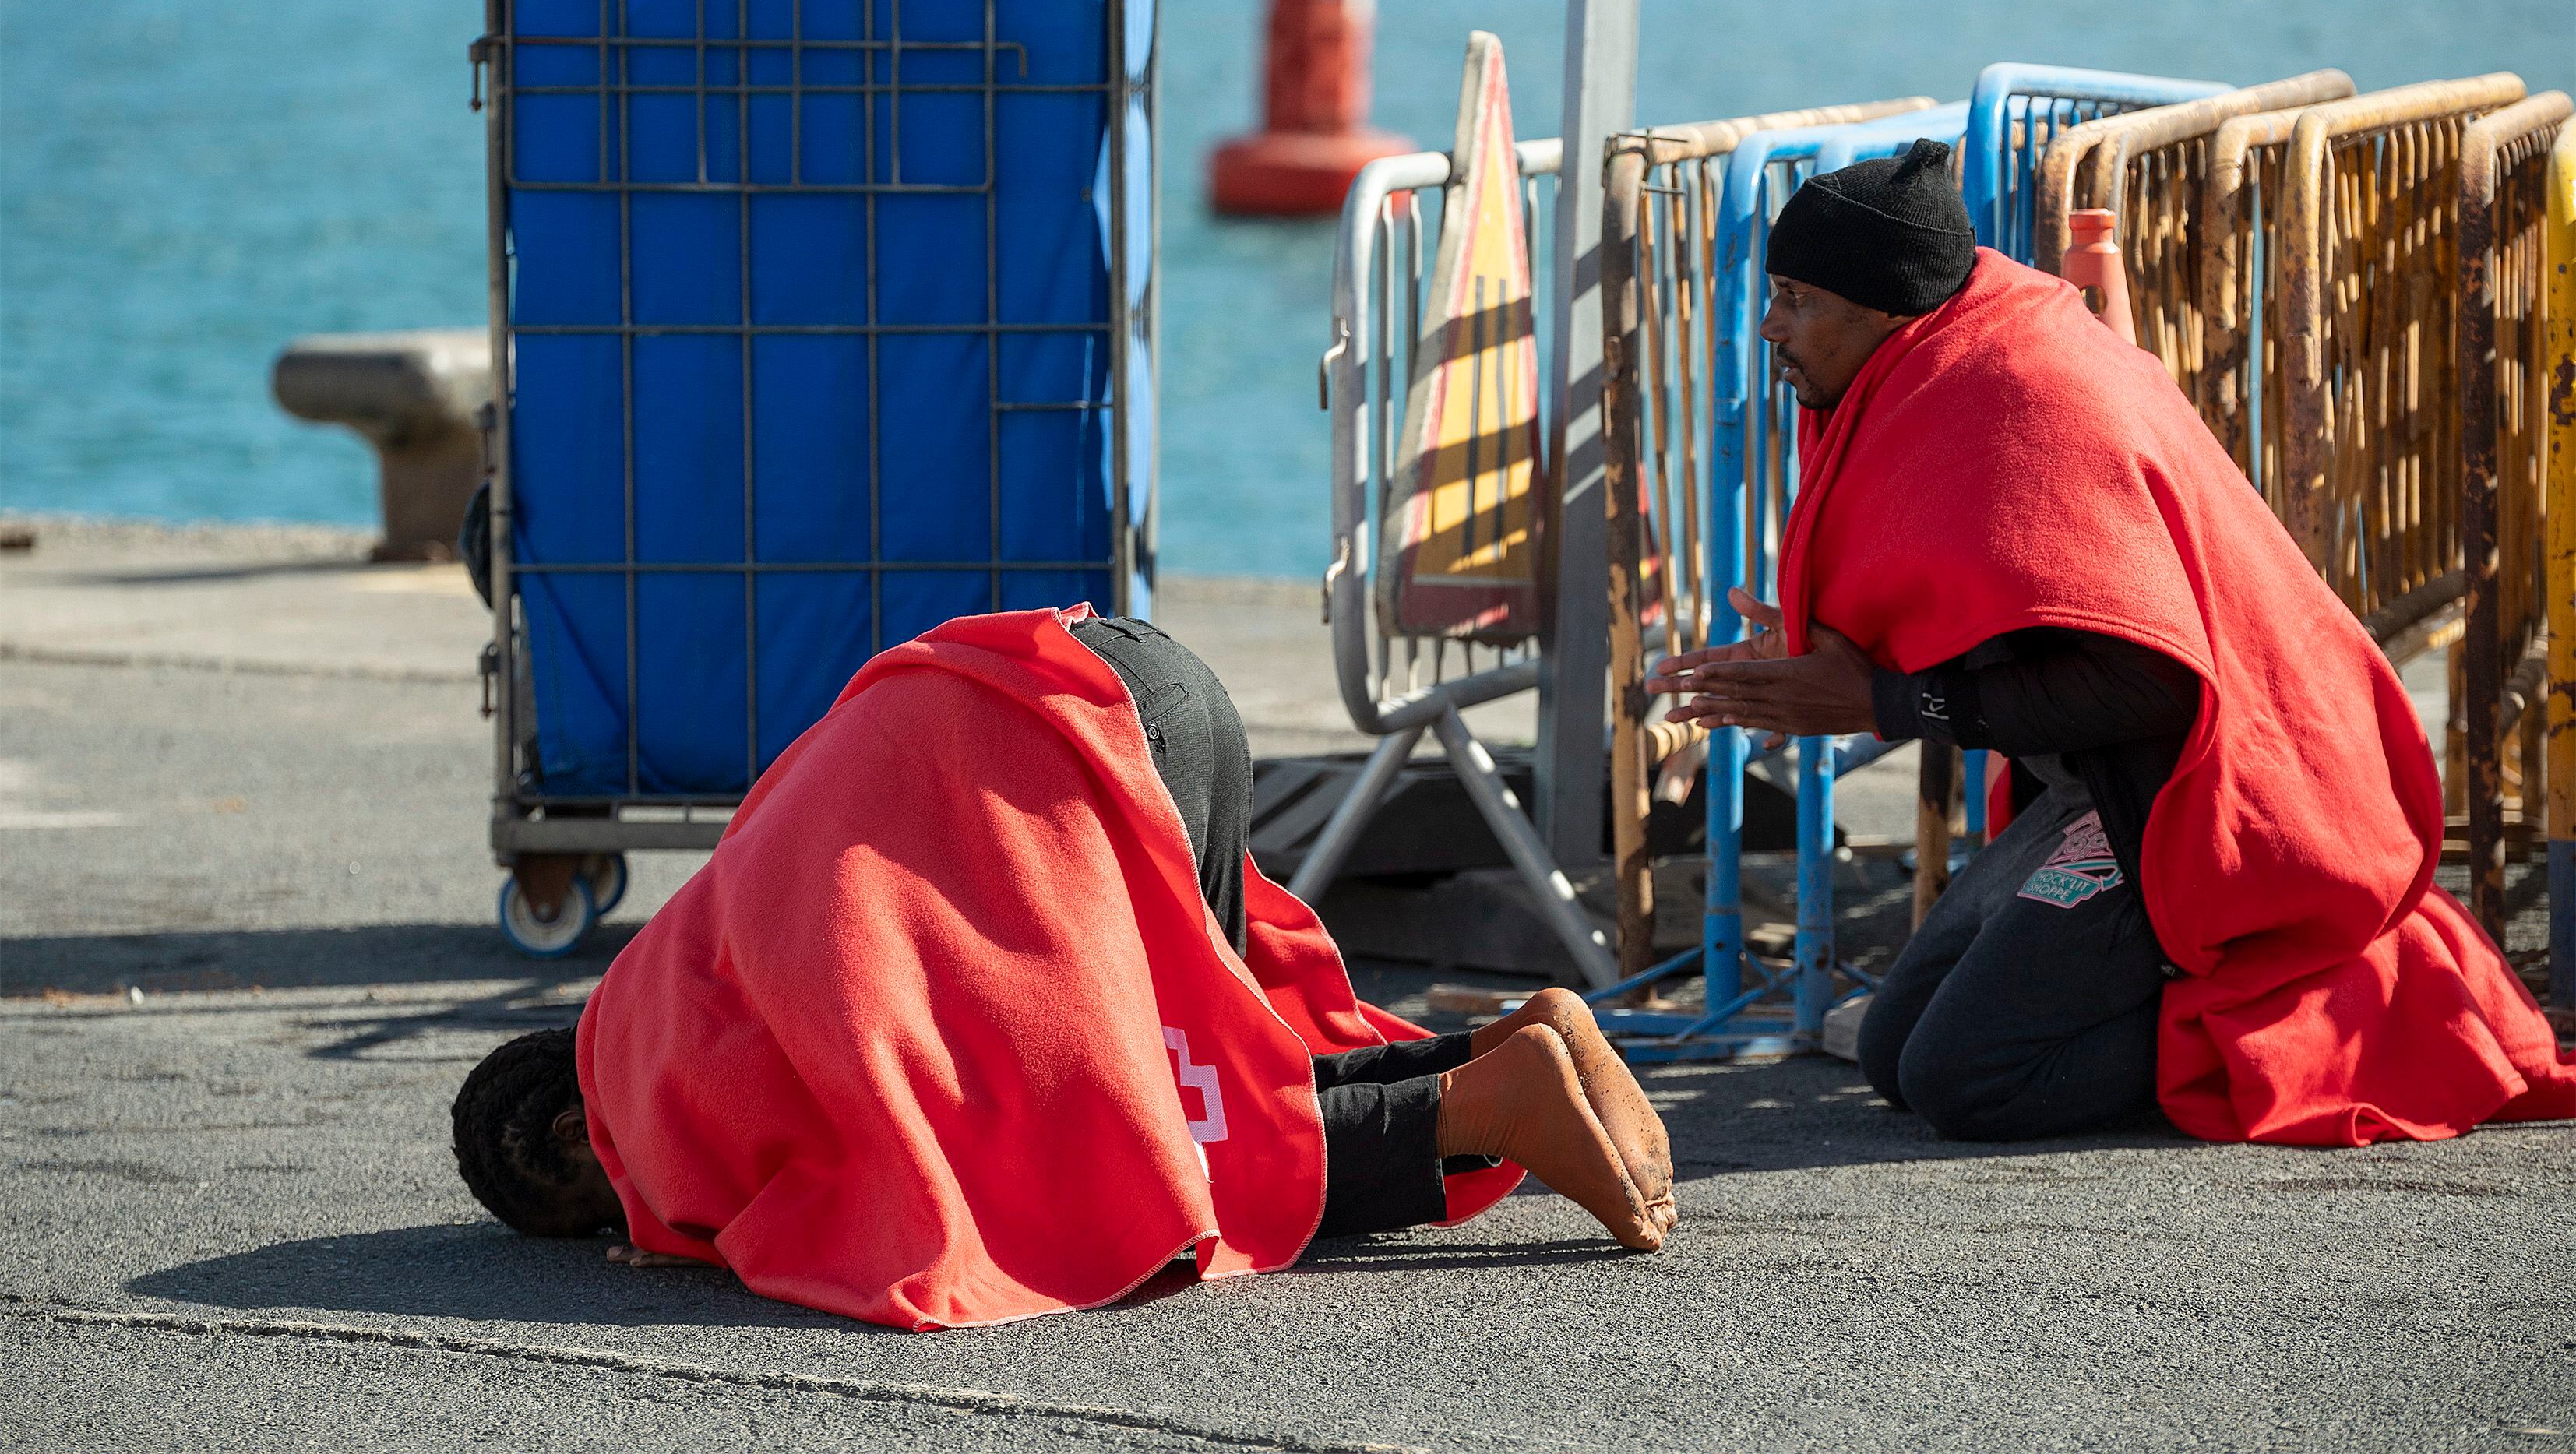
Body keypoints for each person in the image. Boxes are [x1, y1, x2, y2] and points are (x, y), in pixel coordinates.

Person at [1649, 139, 2576, 1147]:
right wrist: (1833, 650)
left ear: (1883, 308)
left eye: (1795, 297)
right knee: (1894, 1052)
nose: (1772, 327)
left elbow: (2150, 684)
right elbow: (1993, 596)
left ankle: (2314, 993)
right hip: (2103, 786)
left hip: (2204, 797)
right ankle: (2233, 975)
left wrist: (1883, 703)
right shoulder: (1942, 365)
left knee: (1967, 1080)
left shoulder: (2025, 395)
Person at [453, 609, 1673, 1330]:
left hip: (1061, 761)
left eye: (589, 1205)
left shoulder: (646, 1082)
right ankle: (1512, 1041)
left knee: (1144, 1162)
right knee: (1205, 1065)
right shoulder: (669, 973)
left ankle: (1482, 1108)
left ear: (569, 1136)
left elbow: (845, 1193)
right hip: (1117, 675)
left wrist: (681, 1226)